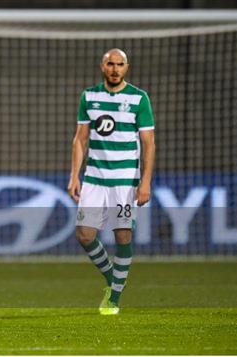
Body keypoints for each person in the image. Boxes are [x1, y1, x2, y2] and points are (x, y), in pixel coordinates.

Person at [67, 48, 155, 315]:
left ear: (126, 67)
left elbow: (148, 144)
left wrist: (145, 182)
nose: (115, 69)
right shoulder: (89, 96)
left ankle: (114, 298)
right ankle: (113, 279)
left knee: (123, 234)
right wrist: (74, 175)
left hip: (125, 181)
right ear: (102, 66)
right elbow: (80, 139)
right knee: (84, 234)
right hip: (94, 178)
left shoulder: (139, 98)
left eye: (120, 64)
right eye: (110, 64)